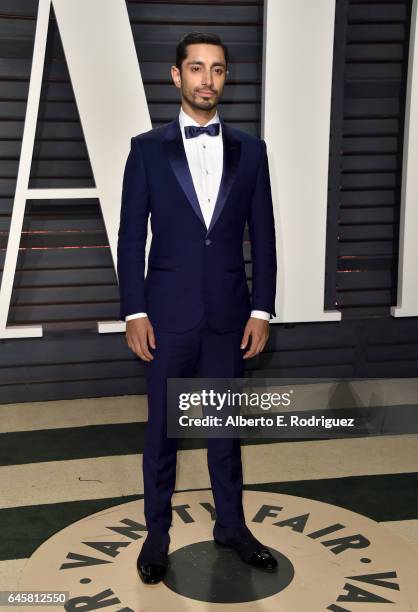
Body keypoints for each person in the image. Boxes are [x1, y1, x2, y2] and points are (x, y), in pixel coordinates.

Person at [117, 31, 277, 585]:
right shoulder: (146, 149)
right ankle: (156, 533)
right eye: (196, 68)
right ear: (176, 76)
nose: (207, 79)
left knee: (224, 430)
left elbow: (266, 235)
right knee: (162, 430)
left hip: (230, 318)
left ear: (225, 78)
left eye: (217, 70)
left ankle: (231, 525)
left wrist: (263, 309)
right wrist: (134, 311)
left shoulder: (252, 151)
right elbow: (130, 235)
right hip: (165, 317)